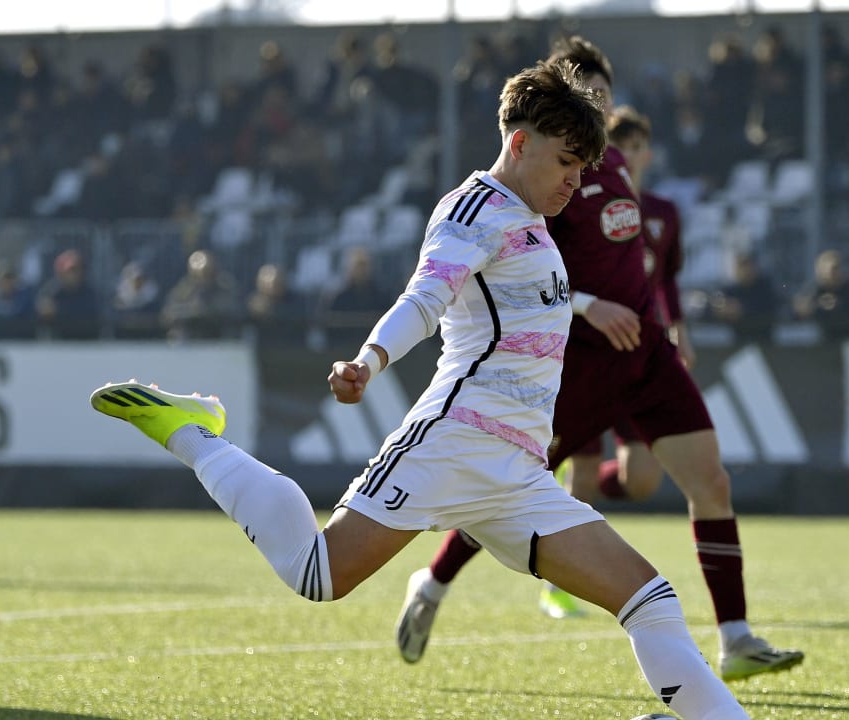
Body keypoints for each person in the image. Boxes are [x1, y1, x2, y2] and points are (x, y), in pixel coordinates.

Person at [90, 60, 753, 720]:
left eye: (584, 168)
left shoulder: (533, 219)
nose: (575, 181)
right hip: (454, 441)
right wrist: (370, 360)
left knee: (650, 599)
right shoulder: (474, 208)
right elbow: (425, 297)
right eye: (566, 163)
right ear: (519, 144)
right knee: (318, 574)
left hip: (518, 470)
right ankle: (192, 434)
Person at [398, 36, 804, 683]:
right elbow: (526, 269)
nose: (596, 107)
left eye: (602, 96)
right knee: (511, 494)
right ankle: (434, 582)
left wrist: (665, 323)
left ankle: (734, 636)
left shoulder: (612, 165)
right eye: (583, 96)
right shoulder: (549, 182)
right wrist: (589, 307)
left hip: (645, 355)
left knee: (711, 481)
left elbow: (636, 262)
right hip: (574, 363)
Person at [541, 105, 691, 619]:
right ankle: (558, 583)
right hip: (586, 351)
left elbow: (664, 279)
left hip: (640, 350)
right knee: (580, 468)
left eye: (637, 142)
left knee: (643, 479)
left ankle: (562, 491)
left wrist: (678, 327)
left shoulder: (664, 214)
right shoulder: (579, 199)